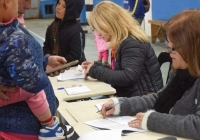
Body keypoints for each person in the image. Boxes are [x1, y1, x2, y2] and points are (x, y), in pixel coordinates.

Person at [101, 9, 200, 139]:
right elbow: (160, 98)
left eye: (172, 47)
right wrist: (122, 105)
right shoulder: (182, 70)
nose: (167, 51)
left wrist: (152, 120)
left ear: (191, 47)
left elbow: (197, 126)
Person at [0, 0, 73, 139]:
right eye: (24, 0)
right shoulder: (10, 34)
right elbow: (30, 81)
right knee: (34, 92)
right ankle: (49, 125)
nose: (29, 5)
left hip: (27, 126)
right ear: (7, 2)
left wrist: (43, 62)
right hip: (15, 130)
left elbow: (13, 60)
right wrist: (40, 79)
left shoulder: (10, 25)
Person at [82, 1, 163, 97]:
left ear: (109, 25)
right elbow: (120, 70)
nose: (98, 33)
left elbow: (127, 77)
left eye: (98, 28)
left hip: (144, 101)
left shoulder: (132, 43)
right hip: (134, 96)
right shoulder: (123, 40)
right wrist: (96, 66)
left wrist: (95, 71)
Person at [43, 0, 86, 65]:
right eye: (58, 3)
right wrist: (48, 57)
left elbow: (75, 58)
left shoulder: (76, 31)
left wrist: (58, 63)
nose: (58, 7)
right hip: (55, 69)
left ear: (72, 10)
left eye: (64, 6)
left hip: (73, 70)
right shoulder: (52, 26)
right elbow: (46, 46)